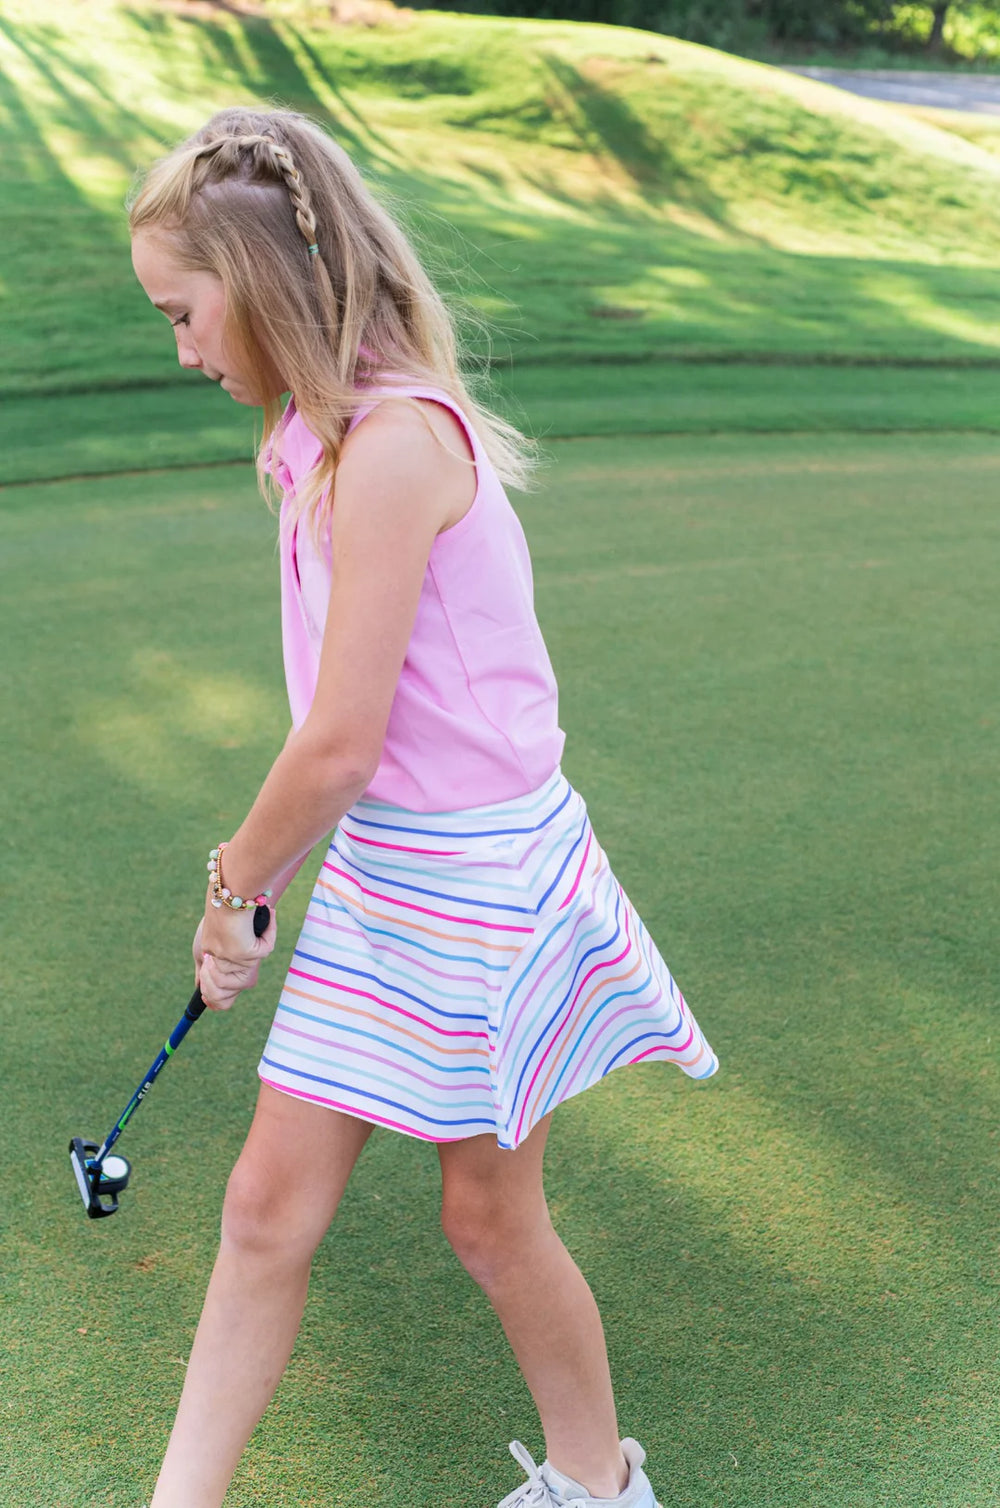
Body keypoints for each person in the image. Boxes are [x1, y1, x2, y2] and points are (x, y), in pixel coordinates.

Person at [128, 105, 718, 1508]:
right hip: (397, 870)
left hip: (482, 878)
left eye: (188, 311)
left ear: (262, 288)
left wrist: (235, 890)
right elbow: (349, 761)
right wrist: (259, 888)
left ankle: (600, 1483)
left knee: (490, 1220)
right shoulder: (313, 443)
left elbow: (339, 743)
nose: (182, 345)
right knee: (267, 1211)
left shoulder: (393, 445)